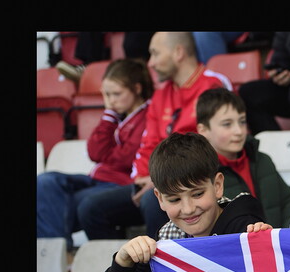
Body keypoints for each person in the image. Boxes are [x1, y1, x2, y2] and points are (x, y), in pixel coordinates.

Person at [98, 132, 270, 272]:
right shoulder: (165, 243)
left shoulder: (245, 229)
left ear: (218, 185)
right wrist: (123, 263)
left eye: (197, 194)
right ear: (160, 199)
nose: (188, 209)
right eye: (175, 199)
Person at [78, 32, 231, 242]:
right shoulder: (160, 95)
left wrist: (159, 181)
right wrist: (145, 178)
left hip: (192, 184)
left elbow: (216, 147)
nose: (151, 62)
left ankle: (162, 264)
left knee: (153, 199)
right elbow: (148, 144)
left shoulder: (212, 85)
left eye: (156, 54)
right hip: (153, 183)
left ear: (178, 52)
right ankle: (123, 269)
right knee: (91, 208)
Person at [37, 58, 154, 249]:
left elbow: (125, 158)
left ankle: (57, 254)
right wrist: (109, 114)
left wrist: (107, 153)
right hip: (96, 179)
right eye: (106, 95)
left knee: (59, 204)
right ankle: (54, 255)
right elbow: (95, 151)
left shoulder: (148, 115)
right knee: (45, 182)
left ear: (137, 89)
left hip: (118, 184)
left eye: (116, 94)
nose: (112, 100)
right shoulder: (116, 115)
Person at [189, 87, 290, 231]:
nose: (239, 131)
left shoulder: (262, 161)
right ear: (203, 130)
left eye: (242, 121)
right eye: (227, 124)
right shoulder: (202, 174)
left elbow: (289, 201)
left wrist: (284, 236)